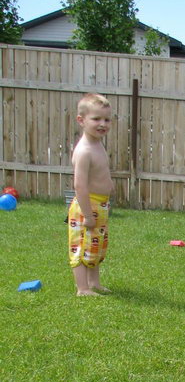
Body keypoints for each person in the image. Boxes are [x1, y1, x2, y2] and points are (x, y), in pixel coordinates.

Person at [68, 92, 114, 296]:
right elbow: (79, 185)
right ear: (81, 120)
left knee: (96, 245)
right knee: (81, 246)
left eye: (106, 119)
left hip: (100, 205)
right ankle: (82, 288)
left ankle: (94, 282)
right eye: (96, 119)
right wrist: (87, 214)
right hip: (86, 206)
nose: (102, 124)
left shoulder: (98, 144)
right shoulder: (84, 150)